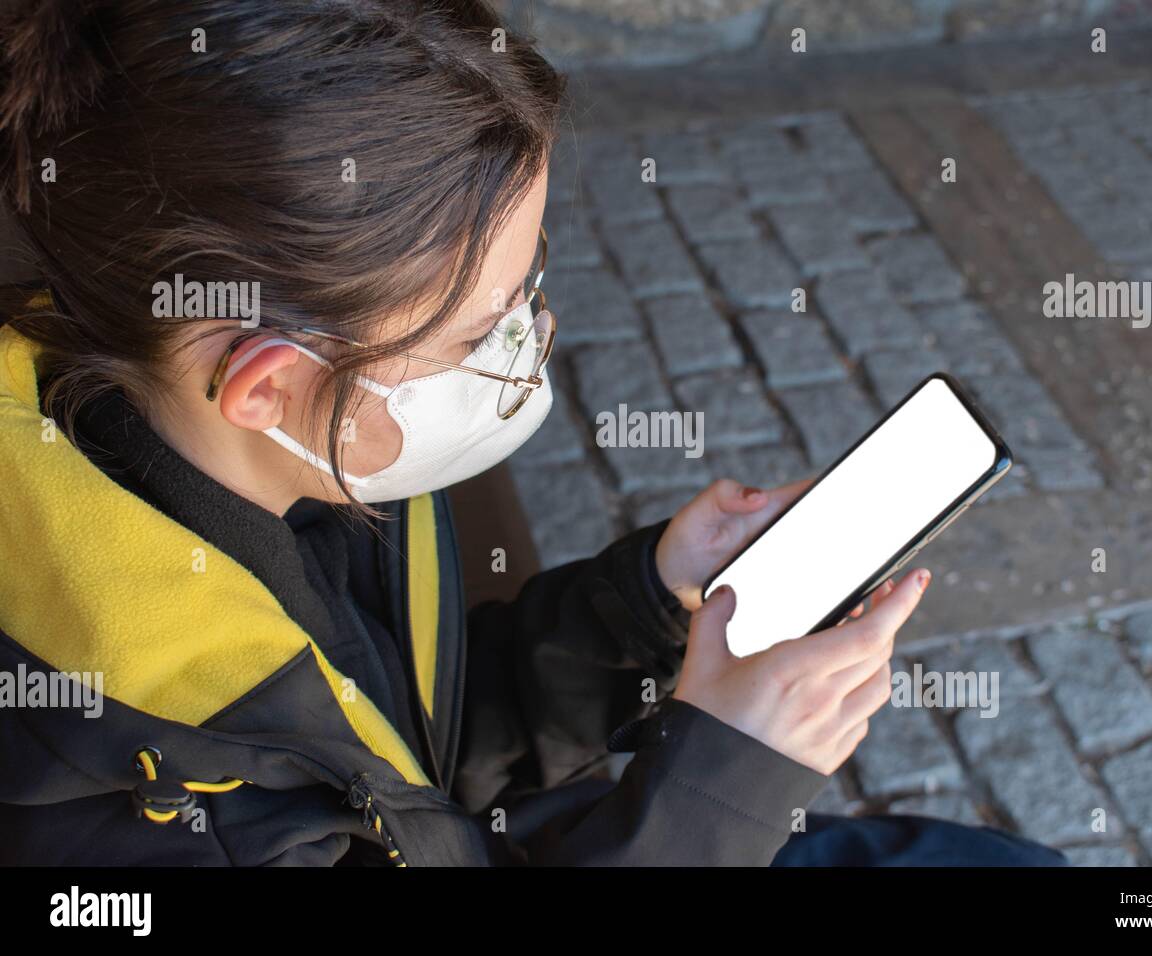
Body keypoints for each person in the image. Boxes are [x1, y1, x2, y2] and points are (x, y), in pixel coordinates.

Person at [0, 0, 1064, 867]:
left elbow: (410, 749)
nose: (528, 340)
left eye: (528, 287)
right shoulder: (132, 802)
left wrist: (642, 602)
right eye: (479, 326)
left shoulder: (275, 467)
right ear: (266, 386)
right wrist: (717, 789)